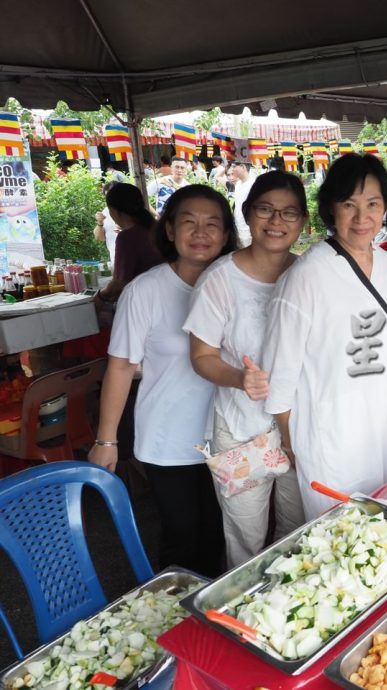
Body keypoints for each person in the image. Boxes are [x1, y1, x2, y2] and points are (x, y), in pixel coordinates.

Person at [262, 155, 387, 519]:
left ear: (386, 207)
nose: (361, 217)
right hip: (332, 438)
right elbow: (282, 375)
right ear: (330, 209)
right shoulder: (305, 277)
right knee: (343, 542)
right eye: (348, 205)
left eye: (372, 204)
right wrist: (294, 445)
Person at [89, 186, 238, 576]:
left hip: (229, 435)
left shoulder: (235, 285)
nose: (201, 232)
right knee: (182, 538)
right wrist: (107, 440)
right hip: (168, 441)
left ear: (226, 235)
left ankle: (209, 622)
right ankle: (171, 622)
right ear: (169, 230)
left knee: (222, 534)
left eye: (212, 224)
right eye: (189, 222)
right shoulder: (145, 291)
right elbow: (120, 366)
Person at [184, 171, 306, 566]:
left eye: (288, 213)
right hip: (240, 431)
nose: (276, 221)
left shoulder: (307, 275)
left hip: (297, 428)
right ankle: (242, 617)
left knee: (298, 529)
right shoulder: (220, 279)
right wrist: (240, 377)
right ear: (248, 215)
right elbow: (201, 356)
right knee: (245, 540)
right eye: (266, 210)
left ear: (303, 222)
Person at [95, 183, 163, 304]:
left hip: (145, 302)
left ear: (114, 211)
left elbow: (119, 283)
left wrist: (100, 296)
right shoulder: (157, 228)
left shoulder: (127, 237)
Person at [229, 161, 255, 247]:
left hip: (248, 230)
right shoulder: (238, 184)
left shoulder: (253, 184)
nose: (232, 170)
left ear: (243, 167)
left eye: (234, 167)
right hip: (238, 227)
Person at [94, 181, 119, 264]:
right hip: (116, 261)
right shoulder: (106, 211)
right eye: (107, 197)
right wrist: (100, 222)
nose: (110, 200)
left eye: (113, 196)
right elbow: (99, 238)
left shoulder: (134, 209)